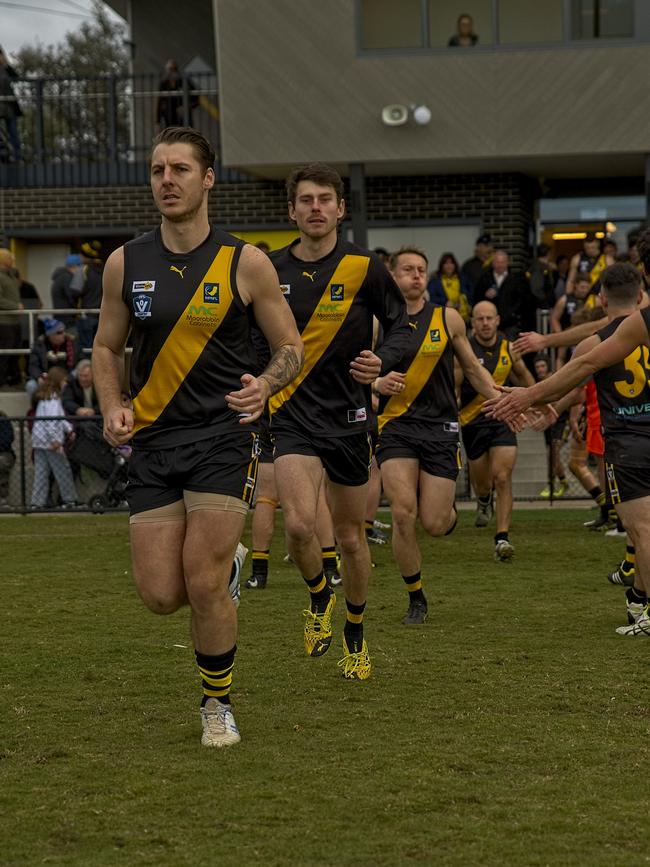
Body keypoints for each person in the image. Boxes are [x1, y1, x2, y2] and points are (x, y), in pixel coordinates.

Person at [92, 126, 302, 748]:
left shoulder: (247, 262)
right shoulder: (125, 262)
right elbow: (106, 347)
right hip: (154, 444)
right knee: (160, 596)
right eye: (158, 170)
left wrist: (265, 385)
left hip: (222, 438)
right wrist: (111, 404)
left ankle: (217, 705)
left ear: (207, 179)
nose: (167, 180)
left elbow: (290, 348)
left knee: (204, 582)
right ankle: (227, 570)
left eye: (180, 169)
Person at [268, 162, 411, 678]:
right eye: (305, 200)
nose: (315, 208)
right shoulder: (270, 268)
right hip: (291, 416)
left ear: (340, 208)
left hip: (350, 419)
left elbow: (401, 325)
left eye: (325, 199)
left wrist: (384, 361)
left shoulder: (365, 265)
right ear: (292, 210)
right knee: (301, 527)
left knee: (350, 538)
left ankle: (355, 629)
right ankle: (317, 597)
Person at [485, 259, 650, 635]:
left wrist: (541, 404)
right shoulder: (640, 323)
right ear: (640, 294)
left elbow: (575, 381)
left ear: (602, 298)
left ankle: (644, 606)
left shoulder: (596, 341)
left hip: (627, 441)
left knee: (642, 532)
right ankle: (638, 597)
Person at [373, 248, 508, 625]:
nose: (416, 276)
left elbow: (472, 367)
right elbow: (356, 369)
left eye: (421, 270)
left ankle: (447, 515)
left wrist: (503, 399)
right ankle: (415, 596)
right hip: (395, 426)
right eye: (408, 270)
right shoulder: (376, 321)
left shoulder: (446, 318)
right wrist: (377, 381)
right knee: (402, 513)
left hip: (440, 428)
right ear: (392, 275)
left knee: (432, 523)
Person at [457, 300, 535, 560]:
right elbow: (455, 385)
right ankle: (483, 500)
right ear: (473, 323)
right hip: (472, 419)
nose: (486, 323)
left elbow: (523, 375)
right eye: (480, 319)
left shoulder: (508, 348)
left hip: (503, 416)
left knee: (502, 477)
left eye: (490, 318)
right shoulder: (464, 349)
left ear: (498, 320)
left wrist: (536, 400)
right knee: (482, 482)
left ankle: (502, 538)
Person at [30, 366, 78, 509]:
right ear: (58, 381)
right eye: (64, 381)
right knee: (63, 470)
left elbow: (58, 419)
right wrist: (56, 441)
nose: (65, 384)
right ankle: (69, 500)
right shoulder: (53, 399)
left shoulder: (46, 397)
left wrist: (69, 429)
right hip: (50, 442)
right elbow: (51, 422)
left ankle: (36, 503)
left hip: (39, 442)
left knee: (41, 473)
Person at [473, 249, 535, 338]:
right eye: (497, 262)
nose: (500, 265)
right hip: (489, 324)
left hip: (511, 324)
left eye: (502, 262)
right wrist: (485, 295)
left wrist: (513, 314)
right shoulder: (484, 278)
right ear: (493, 263)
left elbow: (524, 300)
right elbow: (477, 298)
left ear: (507, 263)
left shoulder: (517, 279)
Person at [26, 319, 79, 398]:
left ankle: (67, 409)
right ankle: (39, 408)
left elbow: (80, 362)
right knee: (31, 385)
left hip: (67, 376)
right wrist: (39, 377)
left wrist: (68, 378)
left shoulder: (71, 342)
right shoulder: (40, 345)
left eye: (64, 331)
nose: (63, 334)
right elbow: (33, 366)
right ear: (50, 335)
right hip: (47, 377)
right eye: (59, 333)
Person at [70, 241, 104, 353]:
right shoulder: (105, 268)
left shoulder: (83, 270)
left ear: (85, 256)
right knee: (100, 349)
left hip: (86, 314)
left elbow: (74, 291)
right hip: (102, 315)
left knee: (86, 350)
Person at [0, 248, 23, 387]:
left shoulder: (10, 275)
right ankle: (2, 382)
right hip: (4, 322)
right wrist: (14, 306)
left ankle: (14, 379)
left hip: (15, 321)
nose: (12, 261)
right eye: (10, 258)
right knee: (5, 353)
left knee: (16, 351)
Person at [427, 252, 472, 322]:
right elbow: (430, 299)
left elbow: (471, 293)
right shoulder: (435, 281)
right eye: (446, 263)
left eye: (451, 263)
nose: (449, 266)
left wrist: (465, 300)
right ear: (441, 265)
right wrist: (445, 302)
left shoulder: (462, 278)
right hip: (444, 317)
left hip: (464, 317)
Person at [155, 59, 198, 131]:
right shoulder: (163, 84)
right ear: (166, 71)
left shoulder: (185, 82)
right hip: (169, 120)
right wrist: (157, 122)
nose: (172, 72)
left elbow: (196, 99)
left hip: (184, 120)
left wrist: (186, 107)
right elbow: (158, 103)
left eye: (174, 69)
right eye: (170, 69)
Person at [0, 48, 22, 162]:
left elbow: (16, 77)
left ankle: (17, 158)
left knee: (13, 133)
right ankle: (4, 157)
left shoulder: (6, 68)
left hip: (9, 106)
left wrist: (7, 65)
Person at [51, 254, 82, 330]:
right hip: (67, 318)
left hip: (61, 316)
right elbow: (71, 295)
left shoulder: (60, 276)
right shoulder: (66, 277)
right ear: (74, 266)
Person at [0, 409, 15, 508]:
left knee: (1, 461)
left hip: (3, 452)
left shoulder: (3, 419)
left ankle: (2, 499)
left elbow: (7, 439)